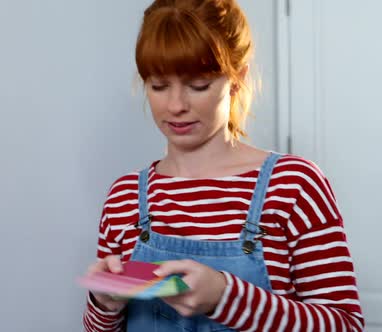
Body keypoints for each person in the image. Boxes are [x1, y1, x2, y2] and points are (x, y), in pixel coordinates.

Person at [82, 0, 364, 331]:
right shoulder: (124, 196)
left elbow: (346, 326)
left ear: (236, 79)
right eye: (158, 85)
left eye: (198, 85)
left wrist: (226, 297)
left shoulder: (293, 185)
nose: (176, 105)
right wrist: (104, 304)